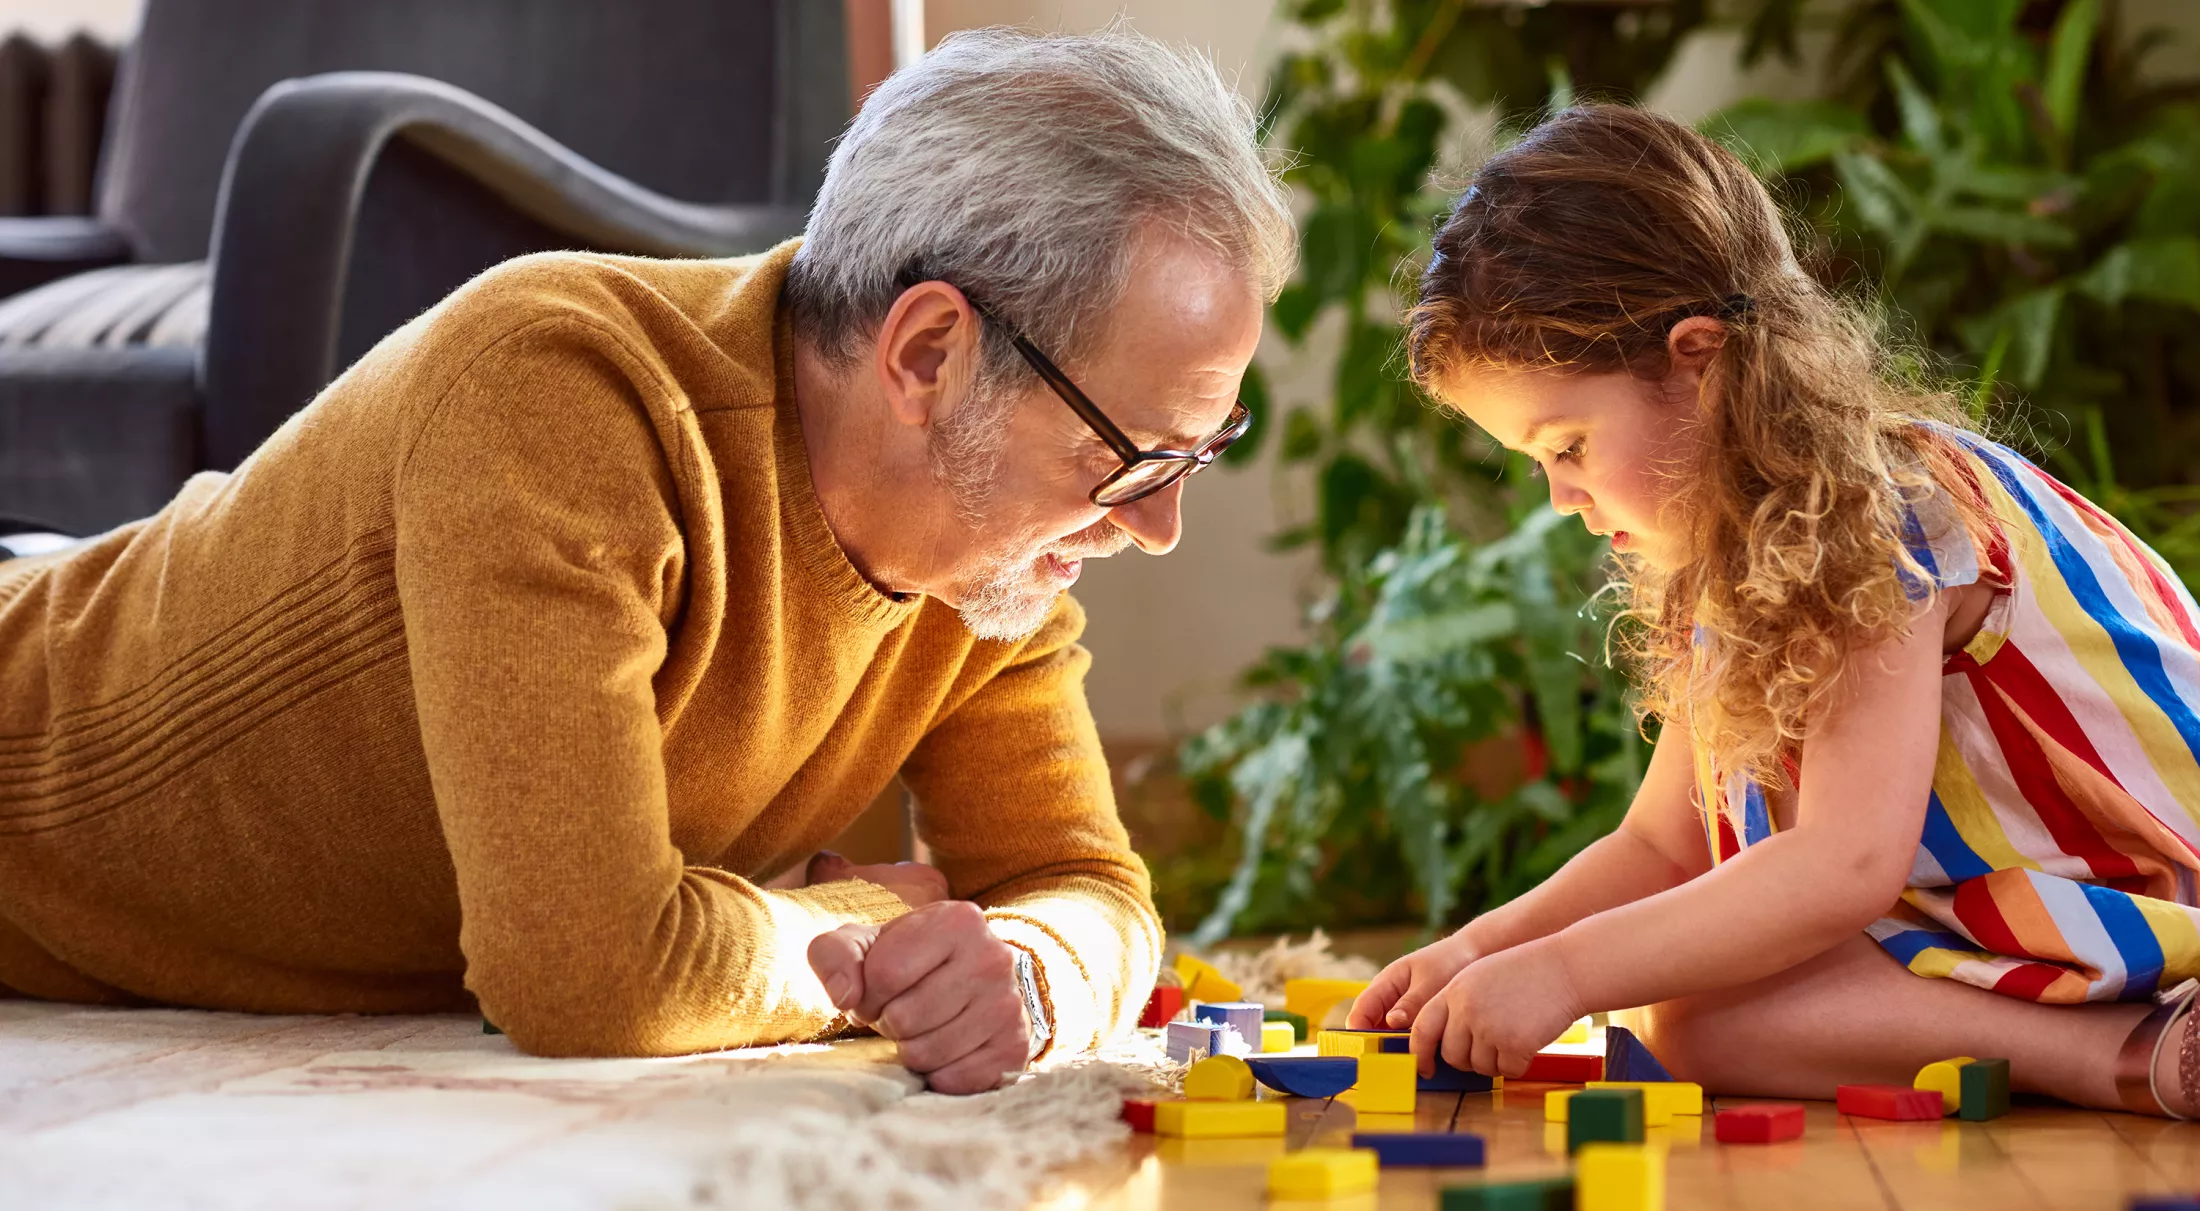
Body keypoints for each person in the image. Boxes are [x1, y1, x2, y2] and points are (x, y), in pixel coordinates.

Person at [0, 28, 1292, 1094]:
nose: (1154, 522)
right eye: (1132, 454)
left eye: (1198, 452)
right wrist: (860, 927)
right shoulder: (562, 392)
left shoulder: (989, 565)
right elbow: (587, 973)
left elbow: (1086, 886)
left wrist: (1027, 965)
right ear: (927, 354)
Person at [1351, 103, 2200, 1118]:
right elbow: (1661, 847)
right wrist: (1482, 947)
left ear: (1698, 363)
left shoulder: (1882, 512)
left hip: (2143, 892)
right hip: (2012, 916)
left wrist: (1567, 974)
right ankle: (2116, 1047)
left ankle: (2130, 1048)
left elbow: (1841, 864)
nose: (1561, 498)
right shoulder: (1729, 551)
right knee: (1700, 1020)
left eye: (1567, 445)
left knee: (1698, 1001)